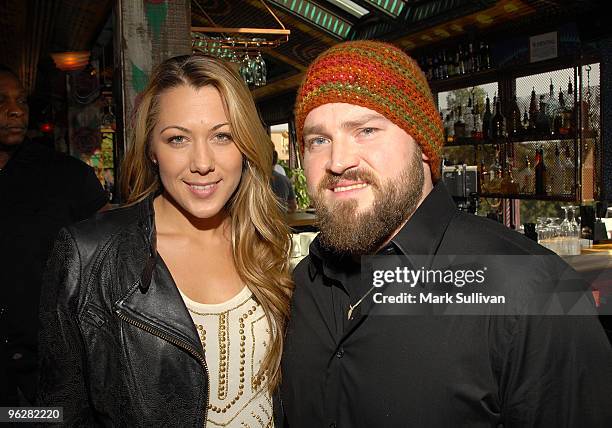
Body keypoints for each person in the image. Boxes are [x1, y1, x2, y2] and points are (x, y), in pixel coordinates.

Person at [281, 41, 612, 427]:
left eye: (366, 130)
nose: (338, 161)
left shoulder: (539, 289)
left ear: (422, 145)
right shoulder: (301, 286)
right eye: (318, 140)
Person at [37, 55, 293, 427]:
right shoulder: (89, 254)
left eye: (222, 136)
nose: (202, 162)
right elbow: (55, 412)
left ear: (246, 146)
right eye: (178, 139)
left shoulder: (266, 242)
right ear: (153, 151)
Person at [0, 65, 108, 406]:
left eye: (21, 101)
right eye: (0, 101)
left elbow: (113, 254)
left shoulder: (65, 176)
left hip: (49, 369)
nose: (16, 109)